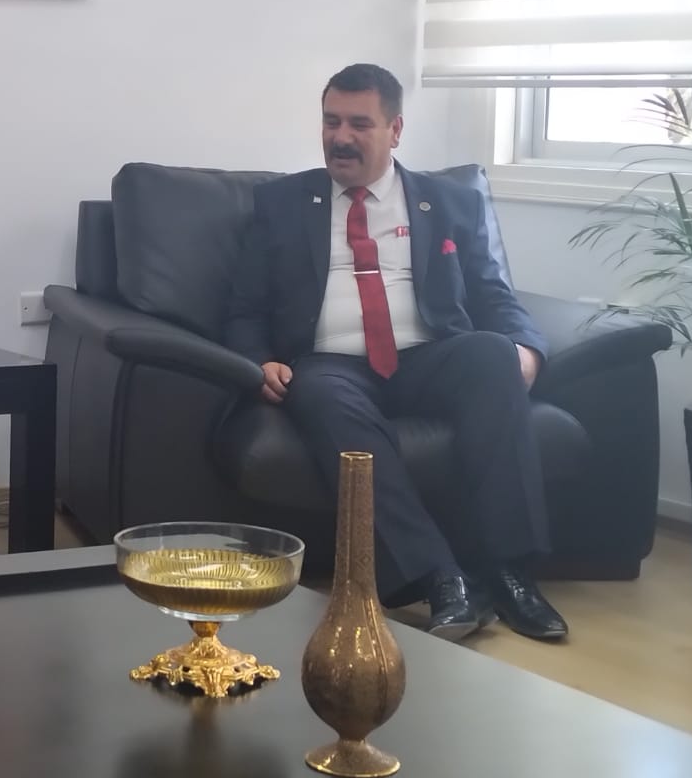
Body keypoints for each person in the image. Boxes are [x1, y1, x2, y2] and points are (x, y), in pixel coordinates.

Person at [223, 63, 568, 644]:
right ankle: (441, 579)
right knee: (319, 392)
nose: (340, 137)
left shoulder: (449, 201)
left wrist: (527, 349)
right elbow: (244, 308)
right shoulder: (281, 203)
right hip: (330, 363)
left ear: (396, 130)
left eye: (359, 124)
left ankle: (508, 571)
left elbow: (493, 294)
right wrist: (258, 358)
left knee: (491, 354)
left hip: (429, 356)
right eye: (331, 121)